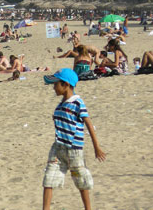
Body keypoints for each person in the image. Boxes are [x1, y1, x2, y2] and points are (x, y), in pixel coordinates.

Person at [43, 68, 106, 210]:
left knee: (81, 181)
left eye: (55, 84)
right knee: (49, 179)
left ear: (65, 85)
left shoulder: (78, 102)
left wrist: (97, 147)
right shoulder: (60, 105)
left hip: (74, 150)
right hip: (58, 149)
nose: (53, 87)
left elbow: (88, 124)